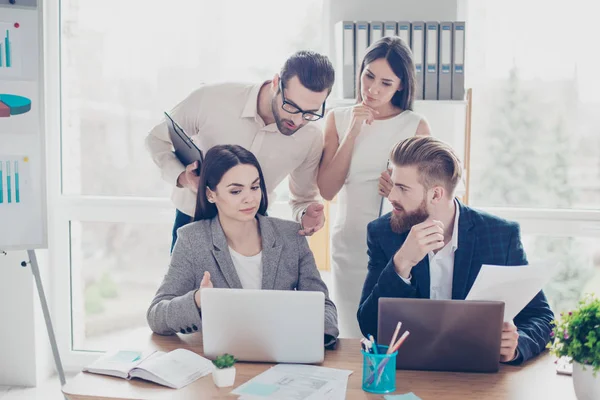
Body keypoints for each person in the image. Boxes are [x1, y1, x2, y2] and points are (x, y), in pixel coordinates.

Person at [357, 136, 554, 364]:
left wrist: (518, 344)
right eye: (393, 185)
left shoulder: (500, 235)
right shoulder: (383, 233)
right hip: (407, 374)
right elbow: (369, 326)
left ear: (436, 194)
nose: (391, 196)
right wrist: (401, 263)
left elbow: (542, 318)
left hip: (476, 381)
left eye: (402, 188)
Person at [147, 145, 339, 347]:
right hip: (222, 363)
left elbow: (323, 305)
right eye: (236, 191)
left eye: (255, 187)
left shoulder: (291, 236)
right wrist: (198, 299)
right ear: (211, 194)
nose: (250, 198)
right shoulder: (192, 240)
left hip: (284, 355)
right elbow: (156, 315)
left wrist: (312, 335)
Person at [146, 51, 335, 251]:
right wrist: (182, 178)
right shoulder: (213, 98)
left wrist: (307, 215)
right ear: (275, 83)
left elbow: (303, 199)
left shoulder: (311, 136)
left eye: (310, 113)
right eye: (291, 107)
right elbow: (156, 138)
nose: (297, 121)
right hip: (193, 220)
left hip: (253, 232)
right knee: (186, 284)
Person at [317, 37, 431, 337]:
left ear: (401, 87)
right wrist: (353, 131)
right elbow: (327, 189)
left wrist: (398, 190)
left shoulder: (414, 125)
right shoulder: (338, 118)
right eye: (368, 76)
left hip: (395, 245)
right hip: (349, 244)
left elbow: (427, 200)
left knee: (387, 333)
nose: (373, 89)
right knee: (351, 335)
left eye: (386, 83)